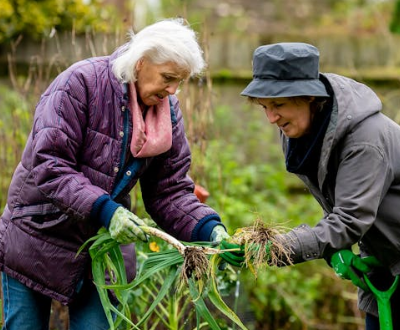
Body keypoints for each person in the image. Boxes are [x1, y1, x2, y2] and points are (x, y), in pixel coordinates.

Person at [0, 18, 229, 330]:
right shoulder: (81, 84)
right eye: (168, 77)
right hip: (37, 233)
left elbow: (169, 191)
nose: (174, 90)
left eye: (181, 82)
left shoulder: (167, 113)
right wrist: (107, 210)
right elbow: (49, 163)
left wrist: (210, 229)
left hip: (102, 246)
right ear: (142, 62)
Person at [221, 42, 400, 329]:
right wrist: (333, 249)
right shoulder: (301, 134)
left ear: (310, 98)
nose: (271, 118)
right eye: (265, 106)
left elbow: (349, 220)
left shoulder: (365, 140)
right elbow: (341, 209)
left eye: (278, 104)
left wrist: (276, 247)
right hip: (381, 267)